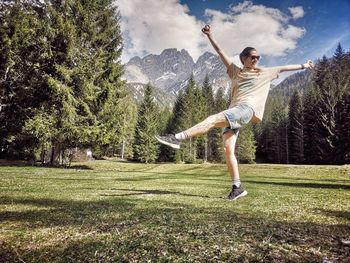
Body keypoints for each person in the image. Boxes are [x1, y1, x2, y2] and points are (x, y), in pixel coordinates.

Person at [155, 25, 314, 200]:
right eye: (253, 57)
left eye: (258, 57)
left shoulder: (264, 73)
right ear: (244, 59)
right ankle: (237, 187)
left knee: (212, 119)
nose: (256, 60)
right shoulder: (235, 72)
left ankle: (177, 138)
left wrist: (304, 65)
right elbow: (219, 51)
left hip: (246, 109)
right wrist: (209, 35)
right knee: (227, 149)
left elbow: (284, 67)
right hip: (235, 111)